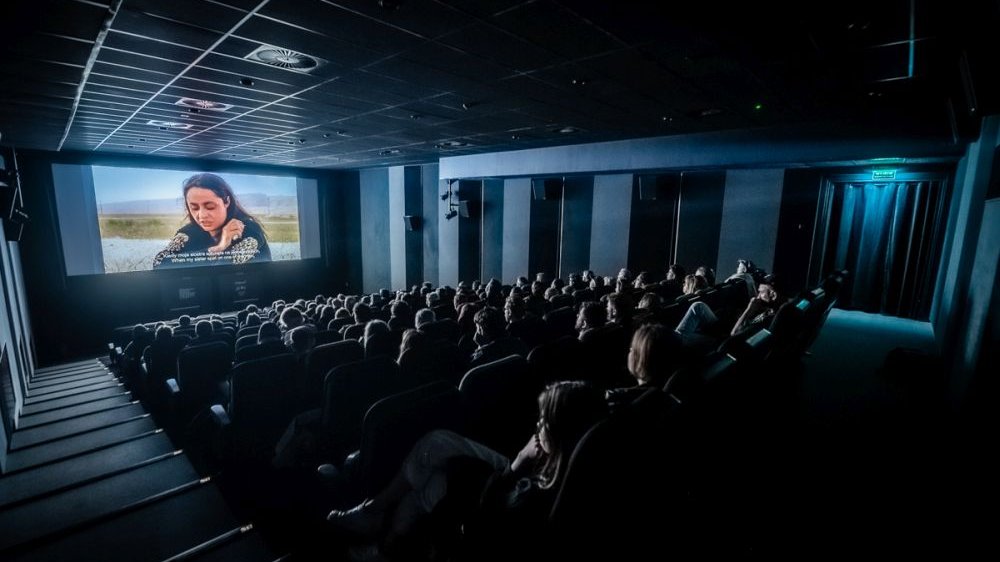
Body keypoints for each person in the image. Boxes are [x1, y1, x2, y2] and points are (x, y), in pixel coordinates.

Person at [326, 381, 608, 560]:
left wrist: (520, 460)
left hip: (493, 496)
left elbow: (485, 517)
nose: (536, 427)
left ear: (562, 432)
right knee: (436, 447)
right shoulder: (587, 458)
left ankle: (375, 518)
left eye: (544, 421)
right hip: (514, 482)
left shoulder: (533, 495)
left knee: (434, 467)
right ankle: (382, 537)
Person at [152, 173, 271, 268]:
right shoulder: (187, 233)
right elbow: (159, 264)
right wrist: (219, 248)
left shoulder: (248, 229)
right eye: (194, 207)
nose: (202, 215)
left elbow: (228, 266)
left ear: (227, 202)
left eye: (210, 207)